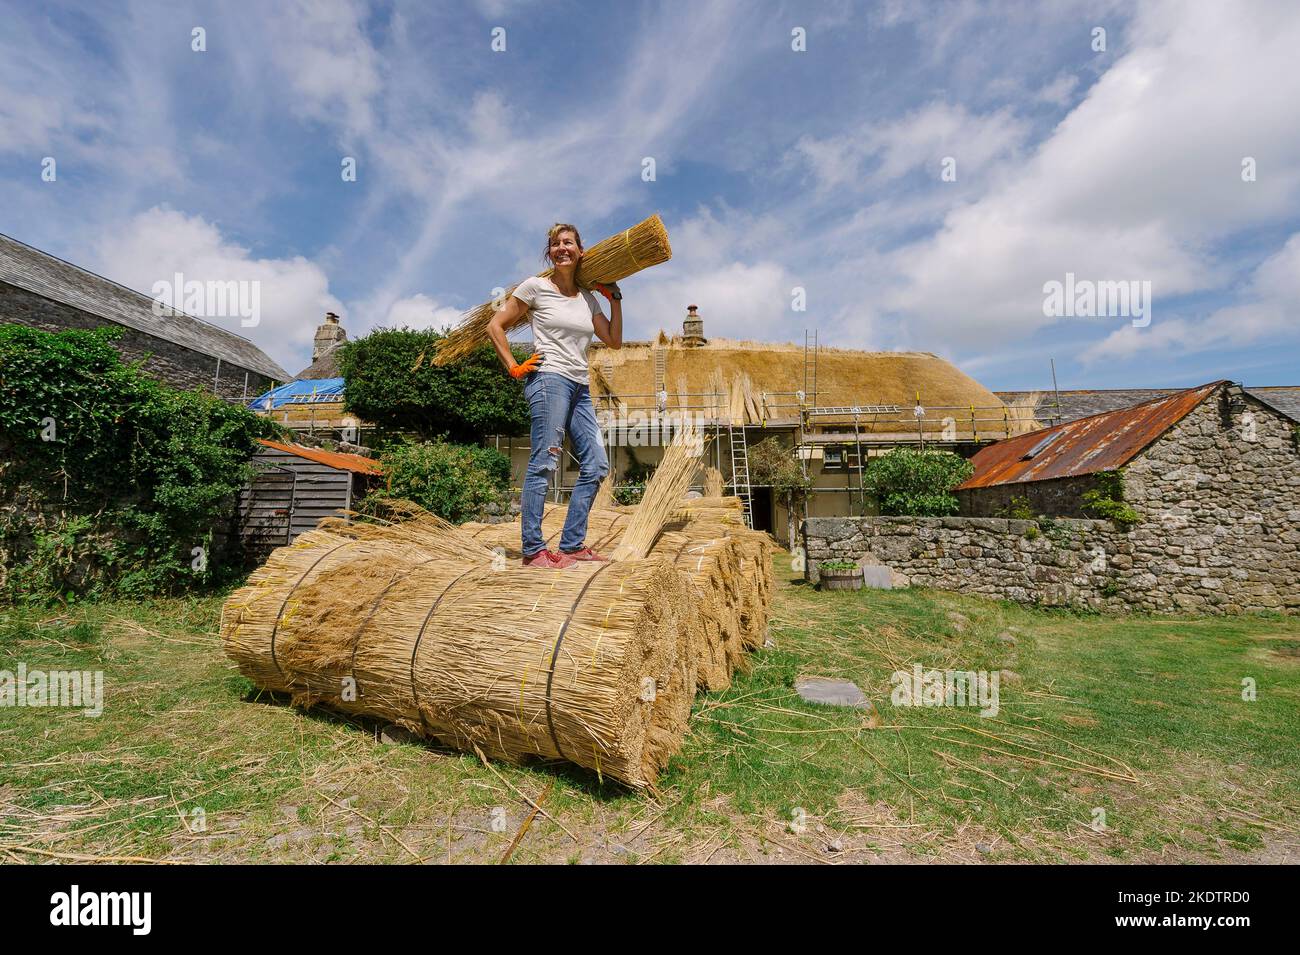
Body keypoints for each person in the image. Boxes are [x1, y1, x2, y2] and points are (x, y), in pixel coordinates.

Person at [486, 223, 622, 568]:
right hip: (548, 380)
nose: (562, 248)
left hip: (579, 385)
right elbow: (494, 325)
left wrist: (615, 299)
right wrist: (513, 367)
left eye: (569, 243)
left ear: (580, 250)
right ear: (550, 252)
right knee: (545, 461)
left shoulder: (588, 298)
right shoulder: (536, 287)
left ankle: (573, 544)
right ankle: (533, 550)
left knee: (596, 464)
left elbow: (614, 340)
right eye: (556, 244)